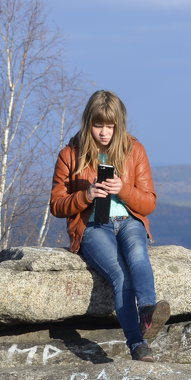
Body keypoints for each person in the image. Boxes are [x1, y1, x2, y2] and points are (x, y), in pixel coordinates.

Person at [50, 90, 170, 361]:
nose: (104, 132)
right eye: (98, 125)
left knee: (138, 255)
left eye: (110, 126)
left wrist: (123, 189)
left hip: (129, 221)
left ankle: (149, 311)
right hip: (92, 227)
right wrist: (86, 195)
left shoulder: (134, 149)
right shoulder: (70, 155)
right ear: (88, 122)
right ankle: (138, 344)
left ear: (119, 124)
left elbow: (149, 203)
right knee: (121, 276)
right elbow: (56, 205)